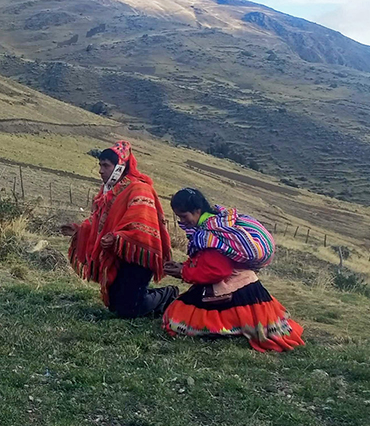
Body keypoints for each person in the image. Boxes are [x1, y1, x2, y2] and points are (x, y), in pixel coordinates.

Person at [162, 188, 304, 352]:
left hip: (233, 287)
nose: (182, 221)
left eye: (184, 216)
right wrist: (184, 266)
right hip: (248, 285)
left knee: (176, 319)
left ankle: (232, 328)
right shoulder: (218, 224)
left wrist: (184, 272)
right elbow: (207, 261)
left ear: (197, 211)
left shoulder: (209, 234)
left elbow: (217, 271)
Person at [61, 141, 177, 318]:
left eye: (106, 166)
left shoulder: (139, 189)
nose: (100, 170)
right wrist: (79, 230)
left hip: (138, 255)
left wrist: (118, 238)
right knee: (115, 305)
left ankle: (168, 294)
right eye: (100, 165)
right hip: (118, 254)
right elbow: (99, 221)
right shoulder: (108, 192)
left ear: (119, 167)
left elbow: (142, 227)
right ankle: (141, 298)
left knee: (128, 311)